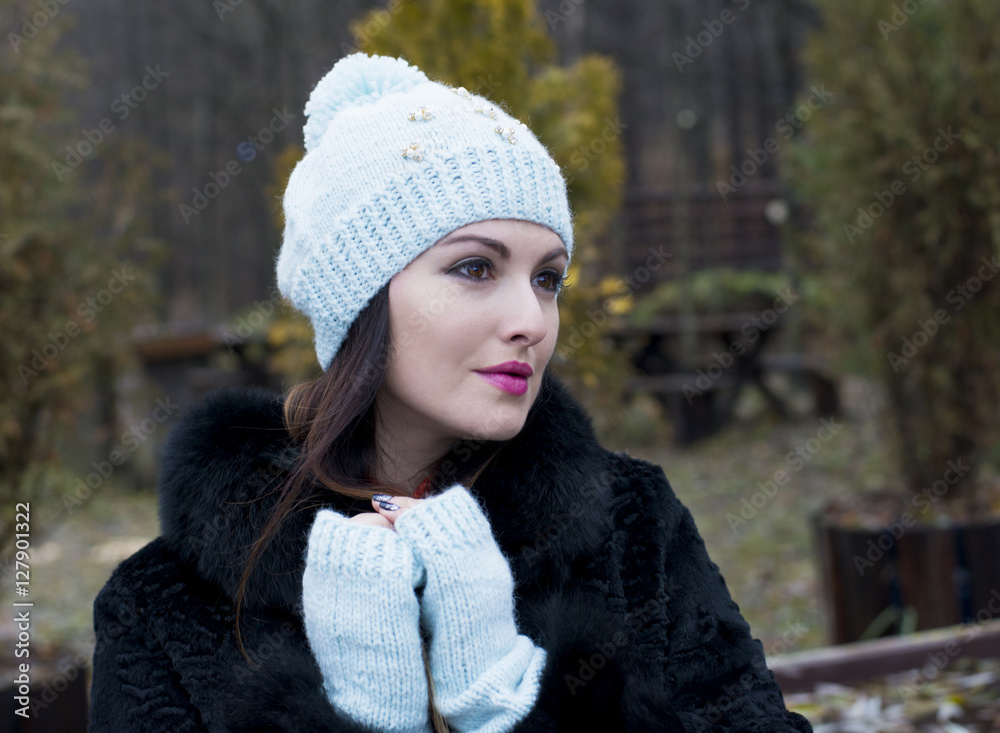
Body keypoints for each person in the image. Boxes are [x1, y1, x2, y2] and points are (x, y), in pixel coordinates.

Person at [88, 52, 813, 732]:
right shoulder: (161, 604)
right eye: (474, 268)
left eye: (547, 278)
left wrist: (505, 701)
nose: (532, 321)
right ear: (360, 297)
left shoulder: (634, 528)